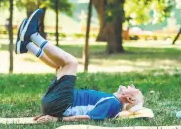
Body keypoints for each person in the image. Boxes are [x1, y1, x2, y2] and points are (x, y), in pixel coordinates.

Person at [15, 9, 145, 123]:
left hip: (62, 104)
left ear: (129, 98)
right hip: (58, 102)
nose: (132, 85)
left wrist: (57, 119)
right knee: (60, 65)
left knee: (71, 62)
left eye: (135, 89)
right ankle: (26, 45)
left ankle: (32, 35)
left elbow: (90, 118)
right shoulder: (112, 100)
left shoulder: (114, 104)